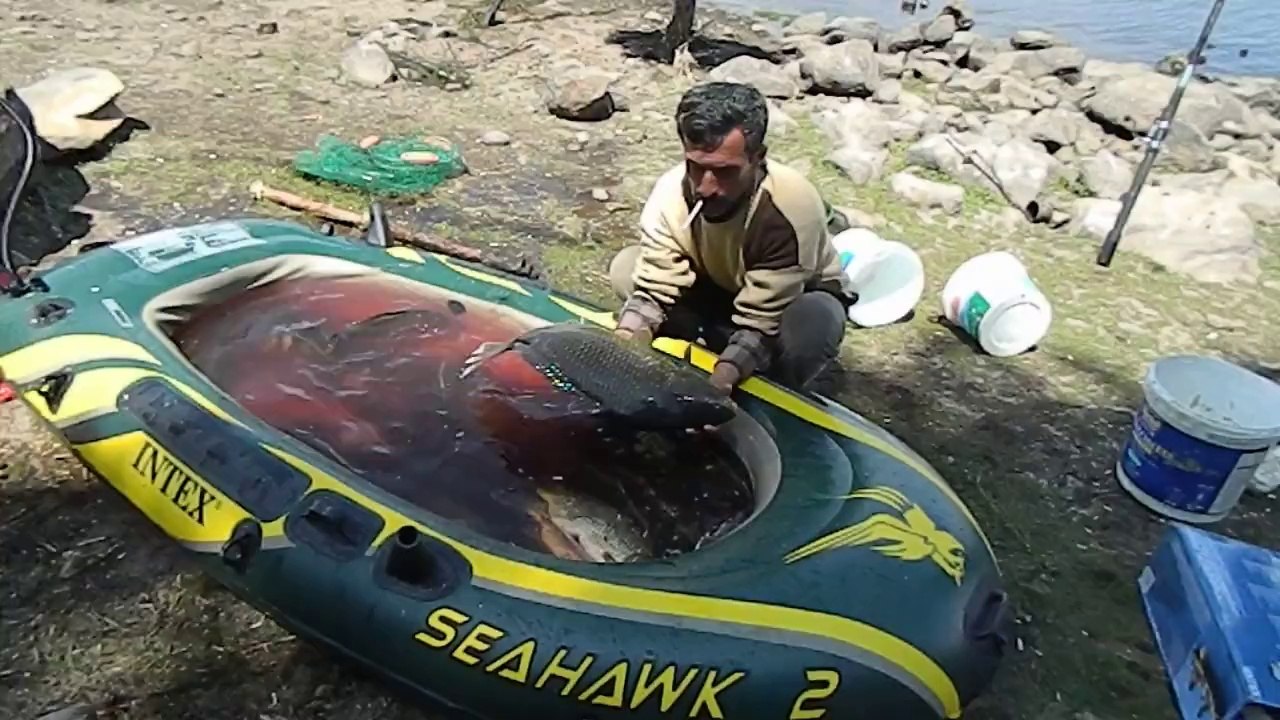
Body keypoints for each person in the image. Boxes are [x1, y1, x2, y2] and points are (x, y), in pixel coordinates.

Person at [608, 81, 857, 396]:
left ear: (758, 158)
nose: (706, 187)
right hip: (716, 290)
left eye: (724, 172)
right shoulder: (671, 192)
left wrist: (720, 384)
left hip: (785, 303)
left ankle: (778, 384)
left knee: (814, 319)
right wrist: (627, 340)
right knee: (625, 266)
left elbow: (765, 317)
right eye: (696, 167)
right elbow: (654, 286)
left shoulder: (790, 207)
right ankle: (696, 344)